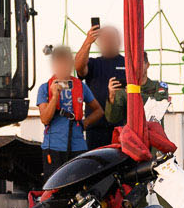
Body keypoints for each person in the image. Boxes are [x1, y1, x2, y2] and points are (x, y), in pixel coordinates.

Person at [35, 46, 103, 179]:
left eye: (66, 63)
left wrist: (85, 123)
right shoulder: (44, 89)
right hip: (53, 146)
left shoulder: (81, 86)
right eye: (60, 64)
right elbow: (45, 119)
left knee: (79, 184)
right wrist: (55, 96)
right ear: (54, 65)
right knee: (54, 185)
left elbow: (98, 110)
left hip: (78, 145)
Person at [76, 23, 128, 151]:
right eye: (104, 38)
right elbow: (79, 68)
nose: (108, 41)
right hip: (96, 128)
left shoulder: (128, 63)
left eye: (111, 38)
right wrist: (88, 42)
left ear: (118, 41)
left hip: (121, 128)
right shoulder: (94, 63)